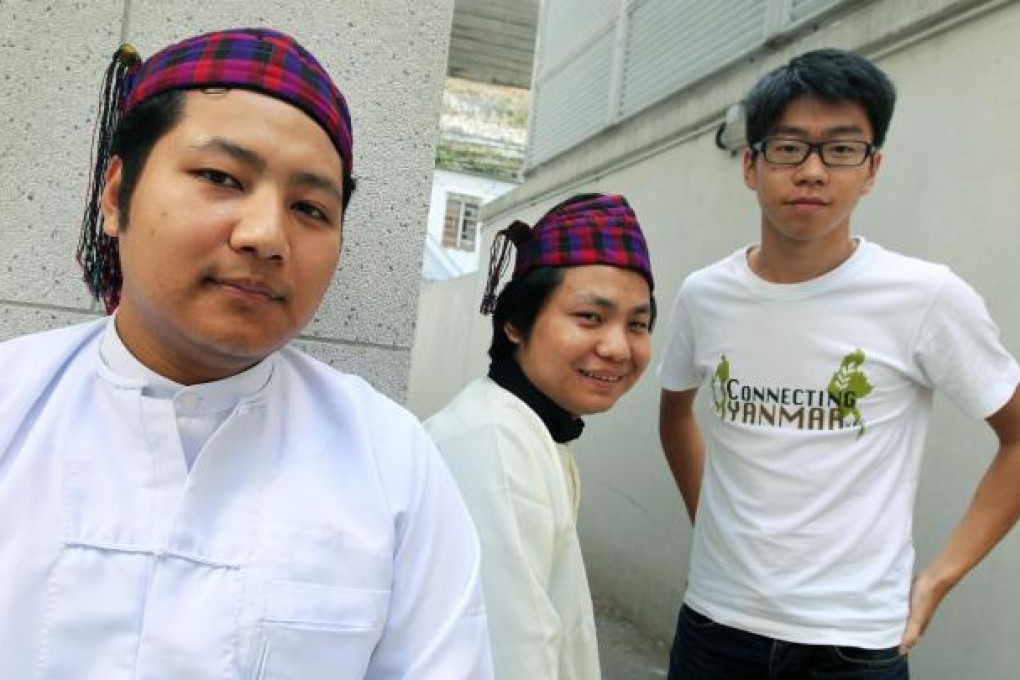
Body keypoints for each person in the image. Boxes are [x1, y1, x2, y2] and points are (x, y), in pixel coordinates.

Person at [0, 28, 492, 679]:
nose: (266, 236)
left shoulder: (392, 463)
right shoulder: (13, 404)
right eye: (220, 177)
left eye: (310, 209)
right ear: (116, 194)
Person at [658, 48, 1020, 678]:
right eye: (790, 147)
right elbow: (674, 414)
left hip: (850, 646)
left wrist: (938, 578)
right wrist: (711, 525)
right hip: (714, 628)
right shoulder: (704, 295)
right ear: (751, 164)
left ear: (872, 168)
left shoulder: (925, 297)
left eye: (842, 149)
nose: (814, 171)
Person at [426, 193, 656, 679]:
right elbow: (511, 653)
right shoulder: (494, 445)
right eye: (590, 318)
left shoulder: (532, 429)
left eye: (638, 324)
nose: (618, 347)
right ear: (515, 322)